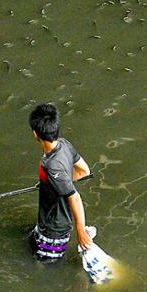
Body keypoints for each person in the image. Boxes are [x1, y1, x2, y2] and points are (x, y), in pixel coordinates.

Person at [28, 103, 92, 263]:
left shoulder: (51, 166)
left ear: (35, 134)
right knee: (30, 244)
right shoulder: (64, 144)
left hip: (54, 229)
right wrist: (51, 184)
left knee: (45, 265)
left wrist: (80, 231)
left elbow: (75, 197)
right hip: (46, 221)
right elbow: (84, 171)